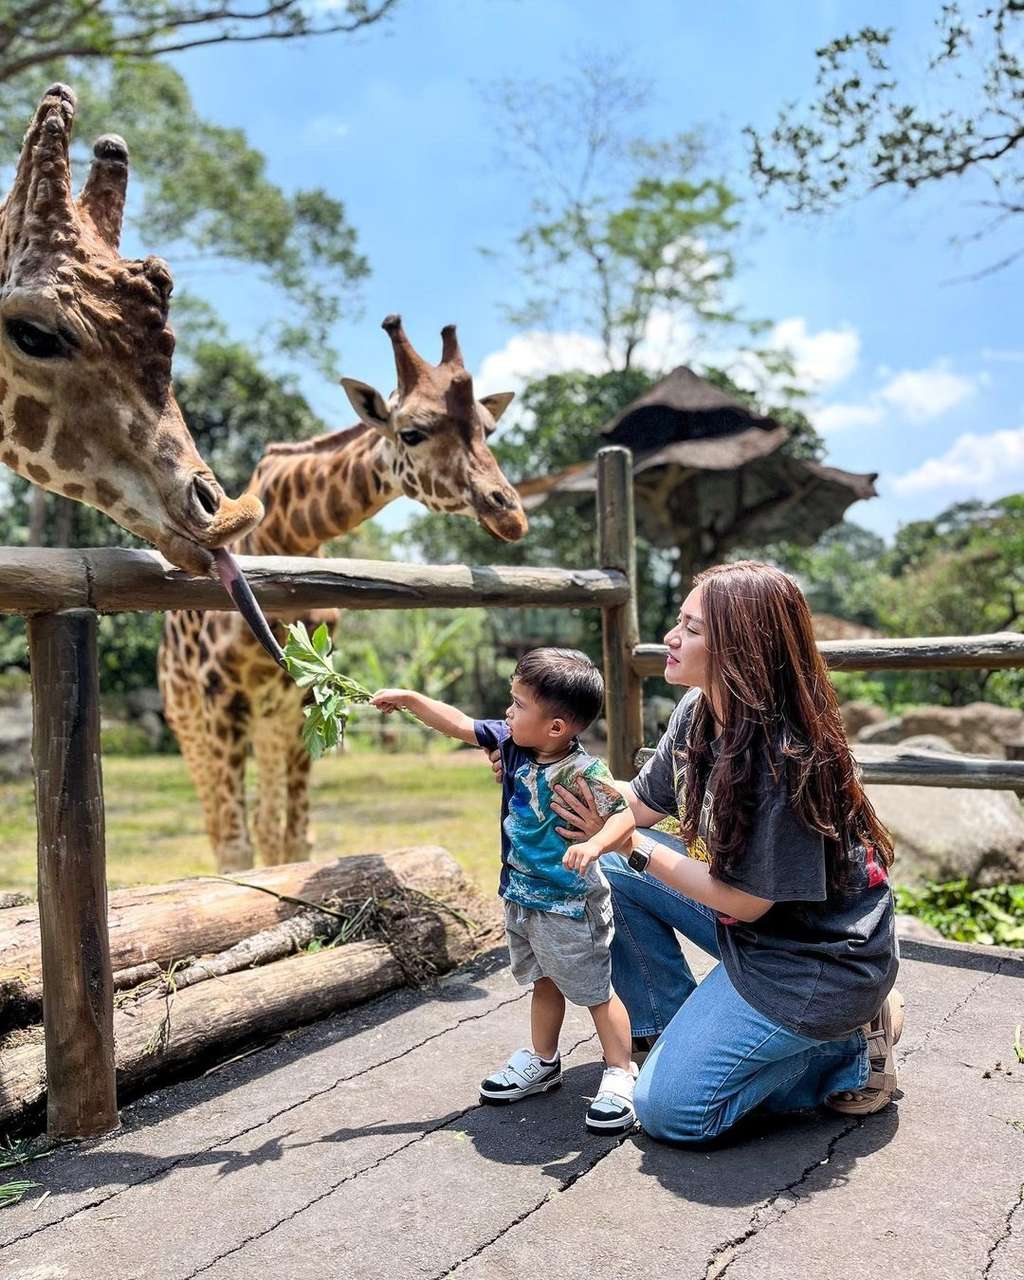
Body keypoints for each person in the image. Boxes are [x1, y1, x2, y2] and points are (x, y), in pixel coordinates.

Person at [491, 563, 902, 1146]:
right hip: (752, 933)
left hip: (811, 960)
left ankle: (846, 1051)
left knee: (673, 1113)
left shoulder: (784, 760)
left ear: (744, 648)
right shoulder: (698, 711)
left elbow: (744, 900)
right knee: (600, 858)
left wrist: (628, 844)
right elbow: (637, 803)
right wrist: (548, 773)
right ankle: (664, 1026)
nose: (672, 638)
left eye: (693, 628)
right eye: (678, 622)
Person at [371, 647, 640, 1134]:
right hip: (523, 896)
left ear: (556, 727)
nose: (507, 712)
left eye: (517, 705)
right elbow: (456, 723)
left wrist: (596, 844)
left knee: (597, 992)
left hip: (570, 903)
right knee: (543, 981)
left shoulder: (585, 771)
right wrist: (411, 698)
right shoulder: (513, 745)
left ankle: (621, 1073)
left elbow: (621, 814)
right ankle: (542, 1060)